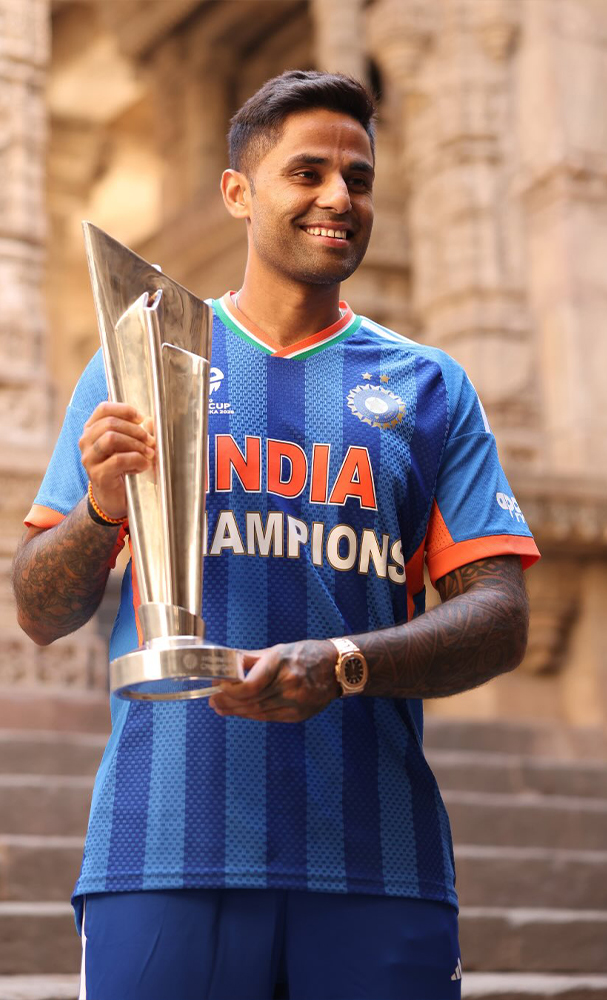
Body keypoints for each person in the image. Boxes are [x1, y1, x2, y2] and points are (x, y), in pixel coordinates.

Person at [13, 70, 539, 1000]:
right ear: (237, 192)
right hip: (163, 846)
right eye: (307, 172)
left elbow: (498, 614)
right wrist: (100, 509)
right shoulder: (135, 359)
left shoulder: (428, 387)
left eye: (359, 178)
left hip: (375, 860)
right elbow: (39, 610)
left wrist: (342, 663)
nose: (339, 196)